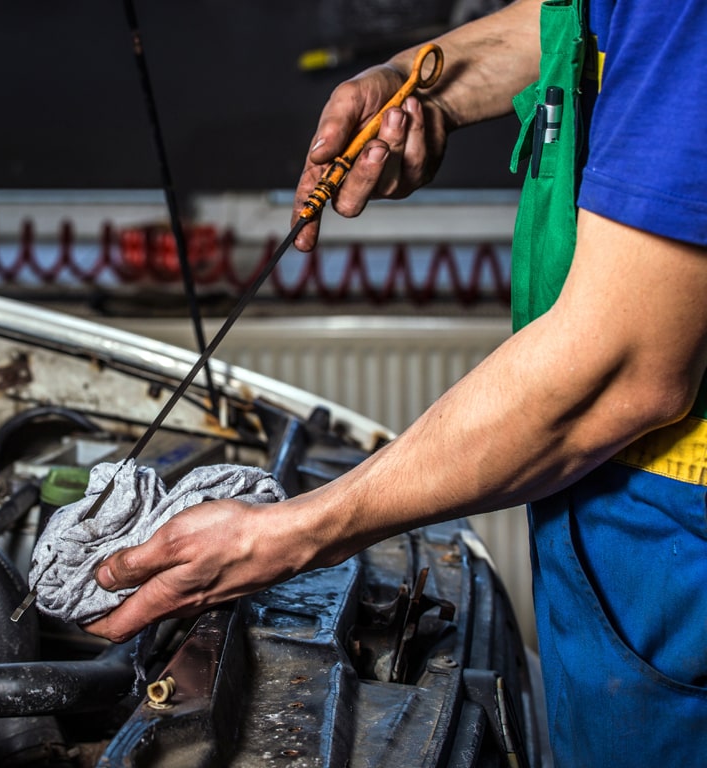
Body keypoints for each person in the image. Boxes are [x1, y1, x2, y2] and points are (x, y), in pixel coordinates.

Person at [85, 0, 707, 763]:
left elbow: (626, 369)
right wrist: (425, 87)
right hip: (613, 502)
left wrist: (290, 534)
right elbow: (582, 21)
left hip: (682, 539)